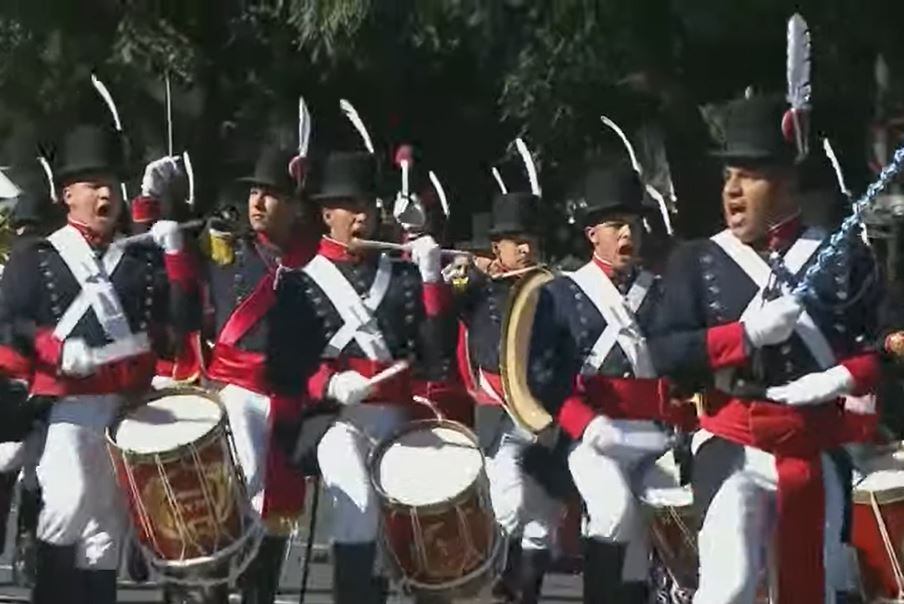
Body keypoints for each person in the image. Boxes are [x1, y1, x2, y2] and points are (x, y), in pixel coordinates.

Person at [648, 94, 882, 604]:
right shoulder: (696, 259)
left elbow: (885, 346)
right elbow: (665, 353)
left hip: (815, 444)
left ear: (787, 182)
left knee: (820, 585)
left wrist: (843, 377)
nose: (731, 190)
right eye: (728, 175)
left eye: (749, 175)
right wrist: (745, 335)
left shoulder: (842, 256)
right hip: (732, 442)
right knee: (728, 585)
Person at [0, 123, 199, 604]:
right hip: (65, 410)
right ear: (68, 195)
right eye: (93, 184)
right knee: (66, 505)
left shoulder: (140, 262)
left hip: (125, 410)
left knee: (105, 529)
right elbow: (7, 324)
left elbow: (181, 328)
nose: (106, 193)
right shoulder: (36, 258)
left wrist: (176, 257)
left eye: (111, 183)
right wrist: (51, 347)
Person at [267, 149, 449, 603]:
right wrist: (326, 384)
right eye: (349, 206)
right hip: (334, 420)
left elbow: (434, 356)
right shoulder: (299, 281)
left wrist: (431, 283)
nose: (361, 216)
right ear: (328, 214)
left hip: (396, 417)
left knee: (399, 523)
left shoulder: (403, 276)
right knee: (358, 509)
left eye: (367, 205)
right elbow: (284, 364)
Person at [527, 161, 695, 603]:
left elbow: (681, 363)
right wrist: (585, 424)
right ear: (592, 235)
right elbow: (542, 375)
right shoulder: (560, 294)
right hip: (594, 435)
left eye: (634, 225)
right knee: (614, 514)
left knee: (664, 524)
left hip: (655, 434)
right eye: (616, 226)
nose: (628, 235)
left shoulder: (661, 292)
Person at [179, 145, 315, 604]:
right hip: (234, 390)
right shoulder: (225, 250)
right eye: (255, 192)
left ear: (294, 207)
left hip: (289, 395)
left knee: (272, 506)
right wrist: (153, 213)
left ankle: (259, 592)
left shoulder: (312, 265)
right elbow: (173, 284)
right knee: (227, 495)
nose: (257, 203)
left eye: (271, 194)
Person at [454, 187, 562, 604]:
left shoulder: (557, 289)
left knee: (543, 519)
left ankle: (524, 595)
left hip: (544, 414)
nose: (525, 246)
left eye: (530, 239)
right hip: (498, 414)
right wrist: (465, 271)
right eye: (515, 240)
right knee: (509, 504)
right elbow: (447, 297)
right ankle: (495, 586)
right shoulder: (478, 290)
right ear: (496, 247)